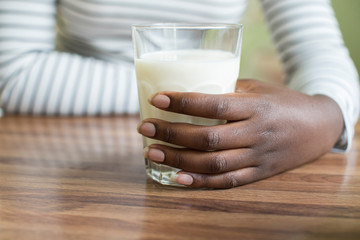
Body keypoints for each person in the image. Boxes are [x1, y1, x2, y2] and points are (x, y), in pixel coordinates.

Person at [0, 0, 359, 188]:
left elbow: (318, 49)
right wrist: (201, 95)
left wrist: (328, 115)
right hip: (66, 159)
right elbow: (13, 72)